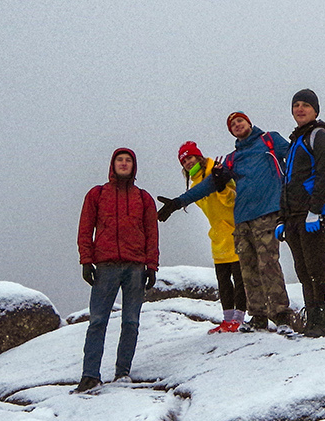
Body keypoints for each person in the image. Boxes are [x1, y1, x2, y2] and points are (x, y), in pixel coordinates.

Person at [158, 112, 295, 333]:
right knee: (248, 269)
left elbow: (298, 158)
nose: (236, 125)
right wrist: (178, 202)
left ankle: (281, 316)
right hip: (242, 219)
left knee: (268, 264)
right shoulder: (232, 159)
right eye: (232, 124)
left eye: (239, 120)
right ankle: (258, 315)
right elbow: (208, 185)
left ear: (249, 123)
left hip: (267, 212)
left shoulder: (269, 140)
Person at [76, 147, 159, 392]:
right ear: (112, 165)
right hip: (105, 266)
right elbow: (85, 228)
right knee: (98, 321)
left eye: (128, 160)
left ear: (134, 166)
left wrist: (151, 265)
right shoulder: (97, 194)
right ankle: (90, 375)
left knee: (131, 322)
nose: (124, 164)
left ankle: (122, 373)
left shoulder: (143, 198)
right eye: (119, 160)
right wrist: (86, 260)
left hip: (135, 267)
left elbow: (152, 234)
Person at [278, 88, 325, 338]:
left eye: (305, 105)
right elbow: (287, 182)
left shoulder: (320, 137)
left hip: (315, 214)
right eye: (296, 105)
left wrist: (315, 211)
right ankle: (311, 322)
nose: (300, 109)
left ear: (316, 110)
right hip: (294, 216)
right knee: (303, 270)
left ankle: (320, 323)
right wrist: (282, 218)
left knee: (317, 268)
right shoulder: (295, 141)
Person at [165, 141, 244, 333]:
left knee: (239, 277)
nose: (188, 163)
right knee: (223, 279)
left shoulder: (216, 170)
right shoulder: (194, 184)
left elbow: (233, 200)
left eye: (190, 157)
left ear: (198, 156)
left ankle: (239, 319)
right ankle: (227, 320)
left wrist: (221, 187)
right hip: (217, 234)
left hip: (236, 229)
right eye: (184, 161)